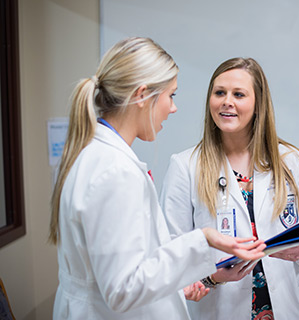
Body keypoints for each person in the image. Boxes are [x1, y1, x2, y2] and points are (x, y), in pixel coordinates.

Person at [48, 38, 265, 320]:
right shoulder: (116, 172)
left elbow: (129, 269)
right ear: (142, 95)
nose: (173, 108)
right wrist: (202, 239)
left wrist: (181, 280)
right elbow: (123, 289)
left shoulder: (95, 155)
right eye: (171, 95)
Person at [160, 57, 299, 320]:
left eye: (239, 94)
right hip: (220, 309)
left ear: (258, 103)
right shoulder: (185, 166)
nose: (227, 101)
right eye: (219, 93)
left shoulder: (290, 161)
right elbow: (172, 253)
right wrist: (213, 277)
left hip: (287, 307)